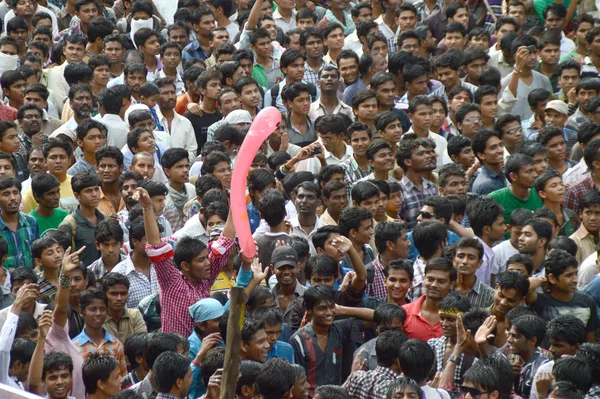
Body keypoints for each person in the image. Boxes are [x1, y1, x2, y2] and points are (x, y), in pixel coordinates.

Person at [137, 185, 235, 337]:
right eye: (201, 260)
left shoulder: (205, 279)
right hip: (175, 353)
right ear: (185, 266)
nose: (208, 263)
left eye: (206, 258)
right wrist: (148, 208)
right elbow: (155, 244)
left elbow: (225, 242)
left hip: (204, 351)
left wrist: (235, 205)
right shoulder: (171, 281)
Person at [290, 285, 372, 396]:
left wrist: (341, 310)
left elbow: (377, 317)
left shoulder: (340, 328)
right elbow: (297, 382)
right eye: (322, 308)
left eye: (331, 307)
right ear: (309, 310)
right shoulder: (298, 340)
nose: (329, 313)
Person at [529, 249, 599, 343]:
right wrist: (541, 280)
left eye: (576, 274)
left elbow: (590, 339)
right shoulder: (541, 300)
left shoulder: (587, 301)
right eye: (569, 275)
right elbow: (524, 287)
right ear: (552, 278)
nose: (575, 280)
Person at [72, 288, 127, 377]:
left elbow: (123, 379)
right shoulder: (73, 347)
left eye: (102, 309)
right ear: (81, 312)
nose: (98, 313)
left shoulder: (116, 345)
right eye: (93, 309)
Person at [529, 315, 587, 399]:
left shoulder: (588, 371)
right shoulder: (545, 372)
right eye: (551, 344)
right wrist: (542, 395)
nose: (551, 349)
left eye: (558, 346)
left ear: (576, 347)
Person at [403, 256, 456, 342]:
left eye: (441, 281)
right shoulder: (405, 313)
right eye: (430, 279)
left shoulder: (458, 316)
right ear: (424, 279)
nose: (434, 285)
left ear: (451, 284)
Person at [58, 173, 105, 267]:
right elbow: (61, 261)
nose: (94, 194)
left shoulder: (104, 219)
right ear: (77, 196)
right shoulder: (69, 225)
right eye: (88, 191)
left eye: (96, 189)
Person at [343, 330, 405, 399]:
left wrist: (352, 374)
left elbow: (334, 395)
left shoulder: (356, 378)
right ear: (398, 360)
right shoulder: (399, 390)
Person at [396, 136, 439, 231]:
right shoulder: (399, 192)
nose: (428, 156)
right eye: (421, 154)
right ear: (408, 161)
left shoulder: (431, 187)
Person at [489, 154, 543, 224]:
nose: (535, 175)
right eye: (529, 171)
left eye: (535, 171)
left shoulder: (541, 193)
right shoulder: (496, 198)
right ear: (513, 176)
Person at [506, 314, 550, 399]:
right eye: (510, 335)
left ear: (532, 340)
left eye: (515, 336)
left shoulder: (541, 370)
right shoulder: (517, 362)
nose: (509, 340)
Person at [466, 196, 506, 286]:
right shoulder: (481, 259)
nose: (505, 228)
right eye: (500, 224)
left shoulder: (483, 251)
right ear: (487, 229)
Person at [0, 177, 39, 269]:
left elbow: (38, 252)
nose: (13, 198)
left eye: (15, 193)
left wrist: (37, 268)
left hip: (32, 279)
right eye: (6, 194)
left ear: (21, 197)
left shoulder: (31, 222)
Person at [100, 272, 147, 344]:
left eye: (123, 293)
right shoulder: (97, 319)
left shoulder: (135, 315)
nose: (119, 298)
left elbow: (142, 345)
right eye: (113, 294)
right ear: (104, 295)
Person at [453, 238, 495, 308]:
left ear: (479, 263)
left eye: (471, 258)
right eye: (461, 256)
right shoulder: (446, 289)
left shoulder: (490, 295)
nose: (464, 261)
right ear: (454, 261)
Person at [535, 170, 578, 236]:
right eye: (554, 186)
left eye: (561, 184)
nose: (561, 188)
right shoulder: (538, 219)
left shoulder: (572, 216)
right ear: (542, 194)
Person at [471, 129, 507, 195]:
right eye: (493, 147)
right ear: (481, 155)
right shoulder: (487, 184)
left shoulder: (501, 174)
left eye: (500, 145)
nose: (500, 150)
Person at [569, 191, 600, 265]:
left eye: (598, 213)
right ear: (580, 214)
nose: (593, 218)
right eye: (588, 213)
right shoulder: (574, 241)